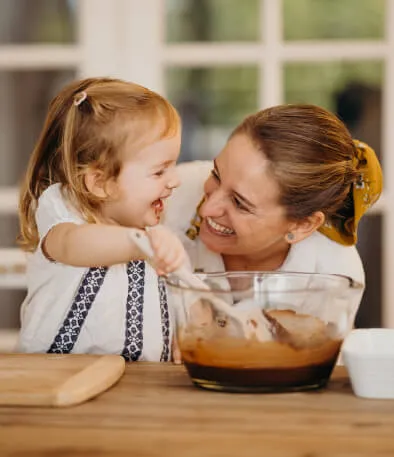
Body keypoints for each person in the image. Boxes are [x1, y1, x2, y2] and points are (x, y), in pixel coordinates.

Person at [17, 77, 188, 361]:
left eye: (173, 167)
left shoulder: (148, 228)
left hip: (139, 383)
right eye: (159, 172)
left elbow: (180, 296)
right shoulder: (64, 210)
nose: (175, 181)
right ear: (101, 183)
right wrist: (138, 244)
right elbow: (72, 244)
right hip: (58, 376)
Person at [163, 104, 383, 321]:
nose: (205, 209)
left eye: (240, 203)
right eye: (216, 175)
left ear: (302, 225)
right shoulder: (169, 191)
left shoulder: (334, 279)